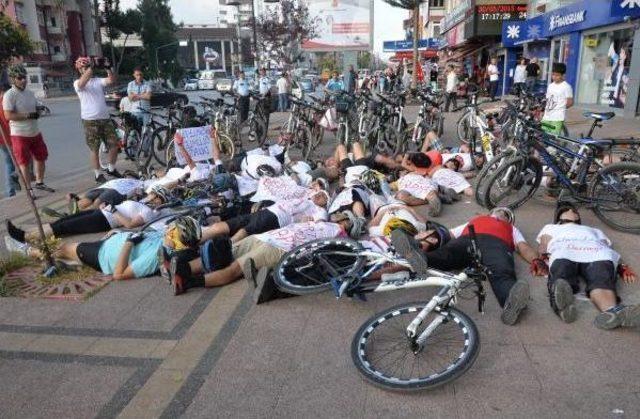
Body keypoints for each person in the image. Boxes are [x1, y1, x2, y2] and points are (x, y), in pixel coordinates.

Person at [392, 207, 548, 325]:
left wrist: (536, 260)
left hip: (496, 245)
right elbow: (449, 234)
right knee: (447, 254)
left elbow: (523, 247)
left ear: (509, 220)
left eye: (506, 214)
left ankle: (511, 302)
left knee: (502, 271)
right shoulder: (474, 220)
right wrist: (428, 239)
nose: (502, 214)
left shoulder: (512, 229)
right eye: (500, 211)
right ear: (491, 212)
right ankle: (418, 257)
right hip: (467, 239)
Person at [167, 217, 359, 296]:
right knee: (222, 253)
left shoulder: (340, 238)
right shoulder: (321, 220)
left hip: (281, 248)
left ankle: (188, 282)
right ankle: (181, 270)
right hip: (266, 237)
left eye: (347, 219)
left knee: (234, 269)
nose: (342, 217)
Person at [536, 203, 640, 330]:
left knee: (601, 278)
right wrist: (540, 260)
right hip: (565, 250)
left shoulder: (594, 230)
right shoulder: (550, 227)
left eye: (573, 210)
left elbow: (606, 247)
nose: (570, 210)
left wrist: (621, 266)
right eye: (566, 209)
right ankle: (563, 307)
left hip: (596, 252)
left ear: (578, 217)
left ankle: (612, 312)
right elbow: (544, 245)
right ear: (558, 217)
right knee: (562, 278)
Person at [5, 216, 200, 281]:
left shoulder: (158, 255)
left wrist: (128, 242)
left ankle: (27, 251)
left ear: (176, 237)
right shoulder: (165, 240)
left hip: (103, 256)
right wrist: (120, 234)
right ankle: (69, 262)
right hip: (108, 246)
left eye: (174, 228)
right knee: (64, 246)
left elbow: (119, 274)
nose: (170, 227)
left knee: (62, 249)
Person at [2, 64, 54, 193]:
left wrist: (40, 110)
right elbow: (8, 115)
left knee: (41, 157)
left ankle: (40, 182)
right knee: (24, 163)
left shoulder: (30, 93)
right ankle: (28, 189)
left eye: (24, 77)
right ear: (13, 79)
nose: (23, 80)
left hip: (35, 132)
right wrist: (28, 115)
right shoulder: (10, 95)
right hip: (19, 134)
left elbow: (37, 106)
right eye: (20, 78)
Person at [73, 56, 121, 183]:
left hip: (104, 118)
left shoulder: (97, 81)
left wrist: (108, 68)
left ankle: (111, 168)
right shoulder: (77, 83)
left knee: (114, 144)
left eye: (87, 66)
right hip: (90, 120)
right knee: (94, 148)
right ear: (79, 69)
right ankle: (97, 174)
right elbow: (83, 82)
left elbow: (112, 80)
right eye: (83, 67)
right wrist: (91, 67)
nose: (86, 69)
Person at [0, 82, 20, 197]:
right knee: (24, 161)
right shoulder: (6, 101)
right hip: (11, 136)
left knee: (8, 163)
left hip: (2, 140)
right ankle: (16, 175)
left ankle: (10, 192)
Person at [542, 62, 573, 135]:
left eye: (557, 75)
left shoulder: (566, 87)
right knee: (544, 136)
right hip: (547, 116)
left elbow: (570, 102)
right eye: (553, 74)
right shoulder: (550, 86)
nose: (554, 77)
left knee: (553, 137)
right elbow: (548, 99)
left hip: (557, 117)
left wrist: (560, 108)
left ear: (563, 75)